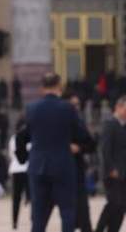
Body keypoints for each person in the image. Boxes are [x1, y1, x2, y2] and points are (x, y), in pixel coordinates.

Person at [17, 73, 87, 232]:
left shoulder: (32, 108)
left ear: (42, 88)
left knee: (39, 216)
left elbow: (21, 137)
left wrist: (24, 158)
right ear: (59, 87)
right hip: (63, 165)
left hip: (38, 165)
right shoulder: (68, 108)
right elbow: (83, 135)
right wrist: (77, 145)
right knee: (67, 213)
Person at [94, 95, 126, 232]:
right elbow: (105, 149)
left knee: (122, 205)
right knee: (114, 202)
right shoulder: (110, 124)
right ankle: (99, 229)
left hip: (124, 172)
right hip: (112, 173)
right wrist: (111, 168)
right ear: (118, 107)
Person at [66, 94, 95, 232]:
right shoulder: (58, 122)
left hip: (77, 168)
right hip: (59, 170)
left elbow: (91, 144)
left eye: (77, 105)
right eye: (73, 104)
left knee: (82, 208)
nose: (75, 107)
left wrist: (79, 148)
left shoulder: (79, 123)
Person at [10, 118, 31, 229]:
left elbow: (12, 153)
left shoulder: (13, 139)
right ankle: (33, 219)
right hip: (27, 168)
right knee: (33, 196)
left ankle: (15, 221)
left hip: (16, 169)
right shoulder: (29, 137)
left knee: (16, 198)